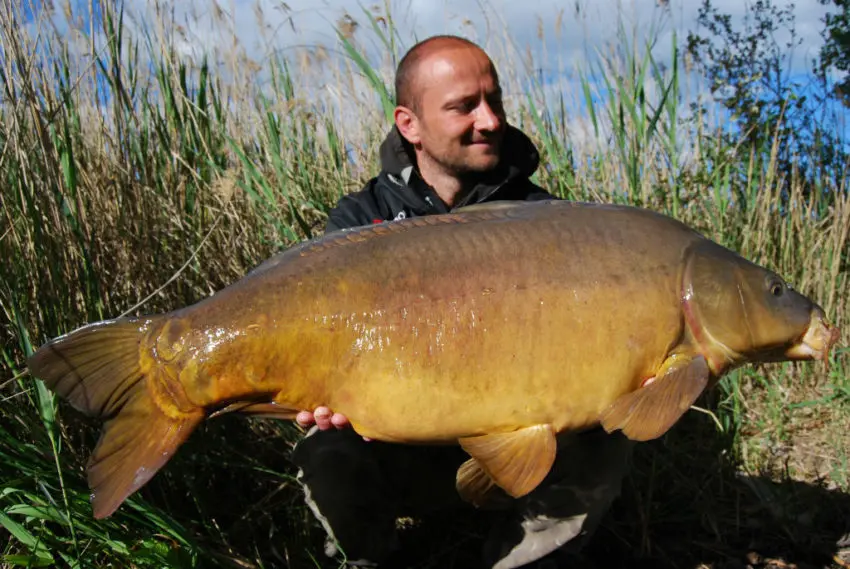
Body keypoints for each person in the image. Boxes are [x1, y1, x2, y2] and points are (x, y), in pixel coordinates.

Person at [289, 35, 635, 569]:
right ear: (410, 124)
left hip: (517, 451)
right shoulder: (361, 221)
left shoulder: (545, 220)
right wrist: (319, 394)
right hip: (401, 445)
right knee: (324, 444)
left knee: (606, 432)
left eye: (493, 100)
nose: (491, 120)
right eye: (464, 106)